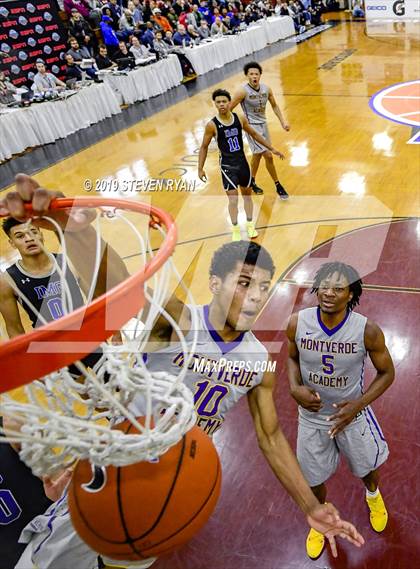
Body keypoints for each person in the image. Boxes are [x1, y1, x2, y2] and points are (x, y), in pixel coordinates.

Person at [128, 241, 365, 567]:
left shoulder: (259, 361)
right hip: (123, 458)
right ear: (214, 283)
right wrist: (78, 228)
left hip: (177, 473)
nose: (255, 295)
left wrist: (311, 506)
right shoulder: (179, 320)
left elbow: (270, 437)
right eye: (244, 283)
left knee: (132, 556)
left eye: (263, 287)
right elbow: (112, 283)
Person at [0, 174, 130, 569]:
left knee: (118, 403)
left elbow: (94, 300)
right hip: (58, 360)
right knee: (86, 412)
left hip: (91, 344)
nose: (30, 238)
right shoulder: (8, 281)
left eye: (32, 232)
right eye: (20, 236)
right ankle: (102, 469)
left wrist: (117, 333)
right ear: (12, 243)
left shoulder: (62, 262)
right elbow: (16, 332)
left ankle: (127, 455)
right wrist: (34, 372)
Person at [286, 261, 394, 559]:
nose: (329, 293)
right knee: (313, 478)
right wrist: (294, 388)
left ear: (351, 294)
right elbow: (292, 359)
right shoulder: (297, 322)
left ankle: (373, 496)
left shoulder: (367, 330)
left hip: (352, 415)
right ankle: (320, 518)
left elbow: (388, 373)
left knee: (366, 468)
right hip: (311, 418)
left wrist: (356, 406)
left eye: (338, 288)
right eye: (324, 285)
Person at [198, 89, 284, 242]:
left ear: (229, 102)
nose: (222, 104)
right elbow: (204, 147)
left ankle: (250, 225)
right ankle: (236, 228)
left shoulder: (239, 118)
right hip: (227, 166)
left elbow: (255, 134)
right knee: (233, 200)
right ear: (215, 104)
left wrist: (271, 148)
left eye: (224, 101)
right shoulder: (212, 125)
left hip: (242, 163)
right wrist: (200, 168)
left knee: (247, 197)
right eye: (218, 102)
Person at [230, 61, 290, 198]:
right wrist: (234, 125)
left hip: (263, 125)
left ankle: (251, 181)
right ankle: (278, 185)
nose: (254, 76)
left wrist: (283, 122)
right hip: (251, 128)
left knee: (257, 156)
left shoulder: (266, 89)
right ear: (247, 76)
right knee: (268, 155)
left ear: (260, 75)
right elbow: (229, 109)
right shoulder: (242, 91)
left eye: (256, 74)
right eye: (251, 74)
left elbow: (274, 106)